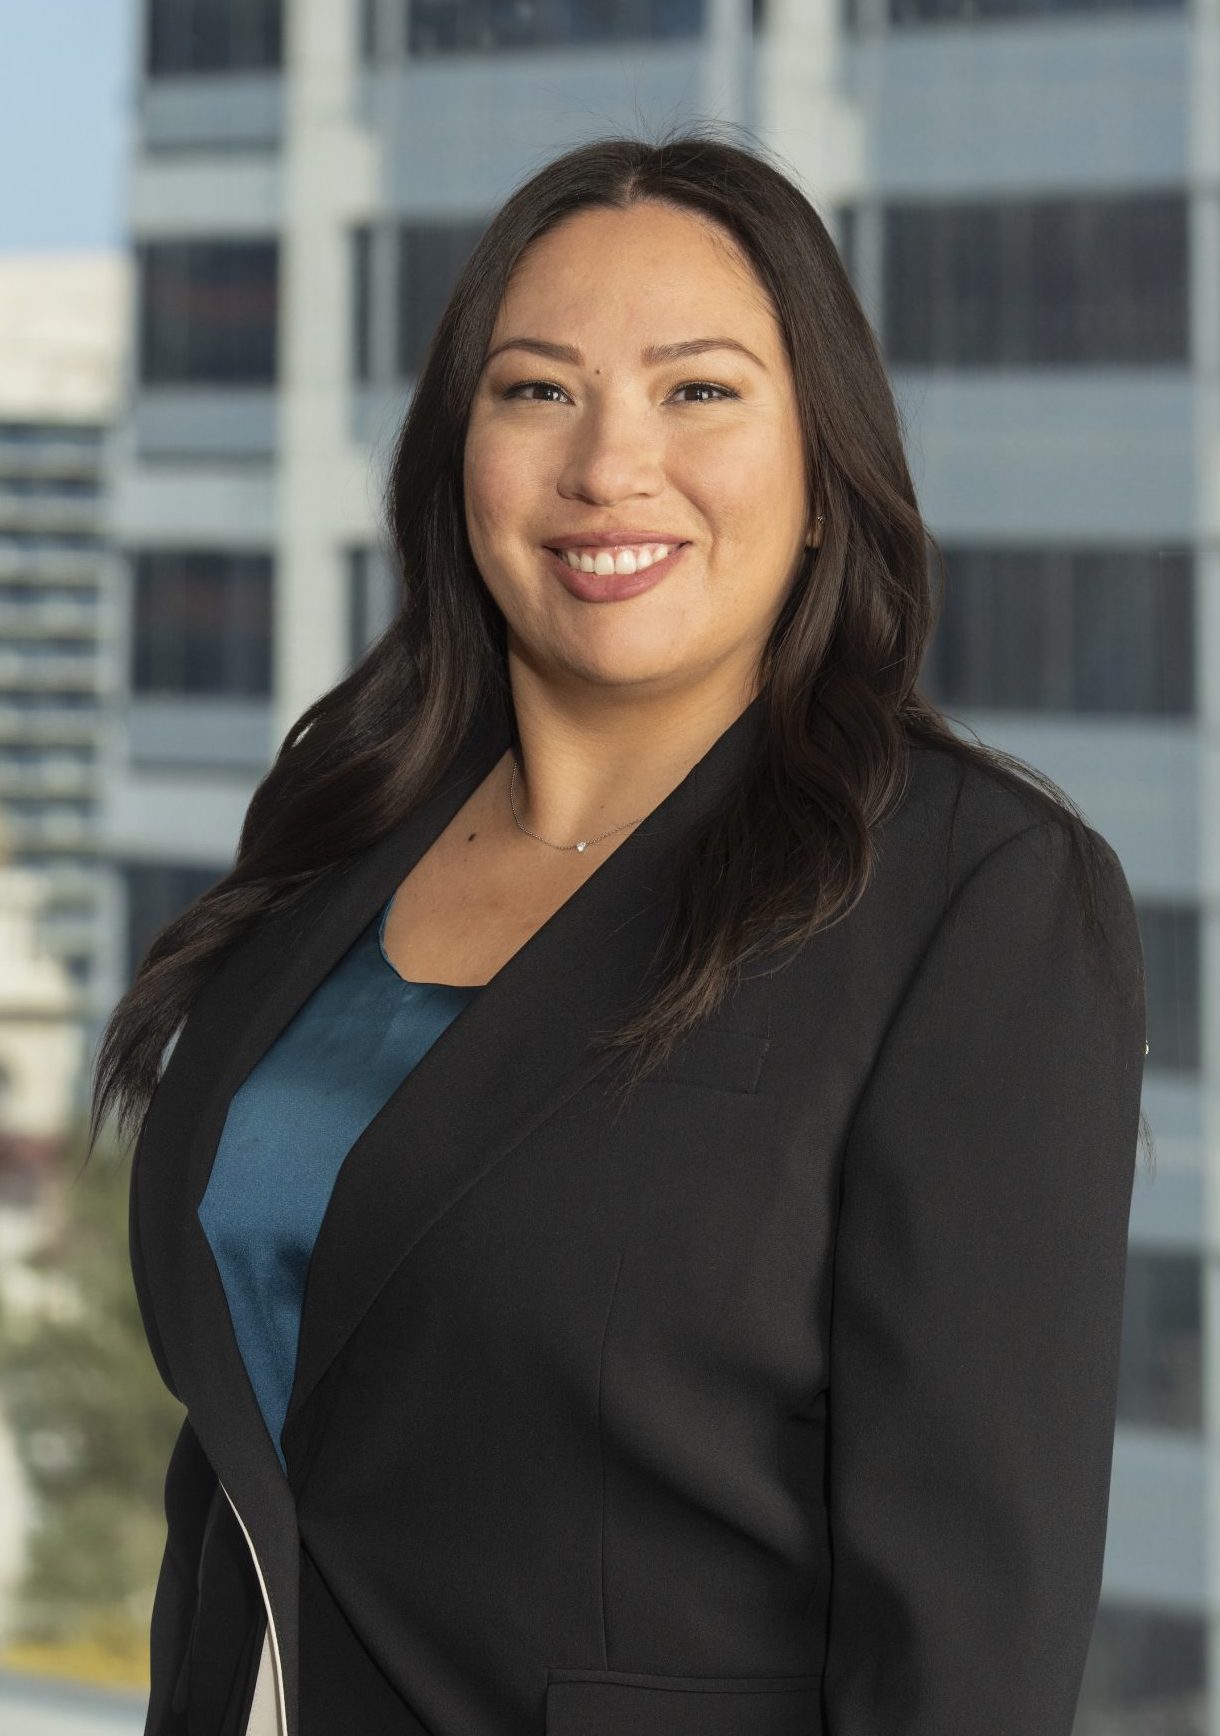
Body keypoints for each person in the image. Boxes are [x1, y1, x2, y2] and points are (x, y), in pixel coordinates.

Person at [91, 126, 1151, 1736]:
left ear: (823, 474)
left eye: (698, 390)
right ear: (457, 458)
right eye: (537, 390)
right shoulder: (339, 835)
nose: (608, 465)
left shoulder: (973, 898)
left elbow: (966, 1642)